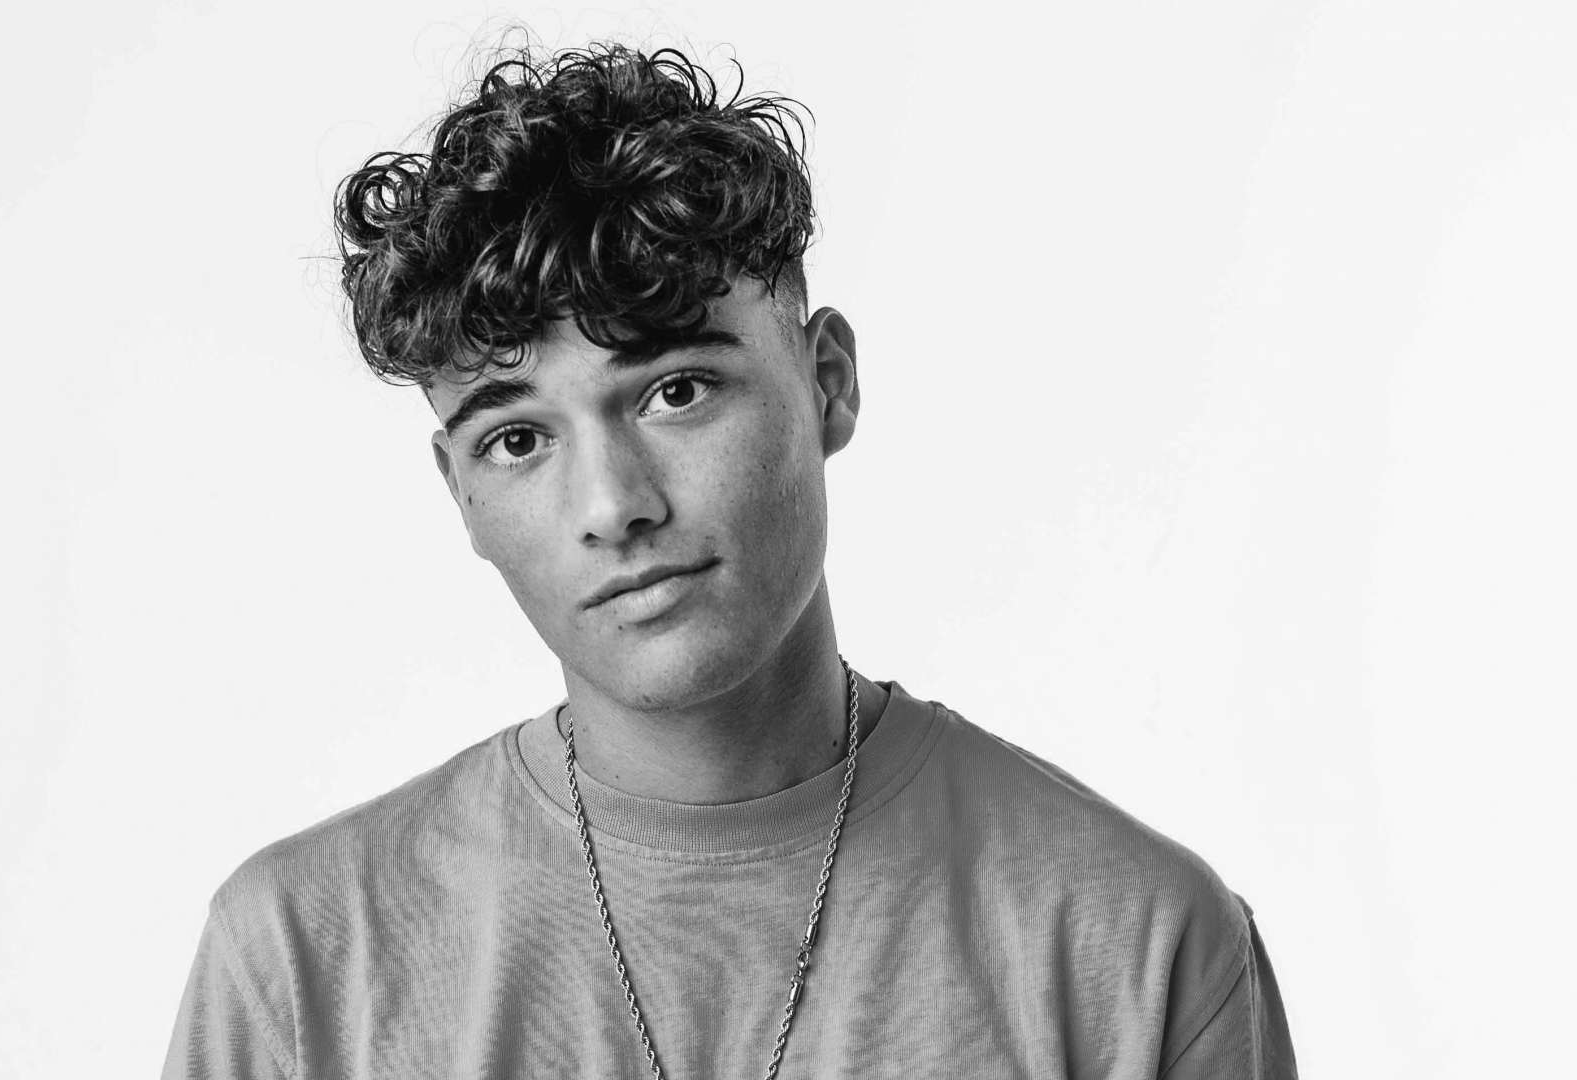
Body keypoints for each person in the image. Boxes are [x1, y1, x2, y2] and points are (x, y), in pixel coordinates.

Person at [161, 43, 1297, 1080]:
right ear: (460, 492)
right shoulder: (300, 964)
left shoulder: (1140, 945)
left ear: (828, 384)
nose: (614, 506)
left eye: (676, 390)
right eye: (518, 440)